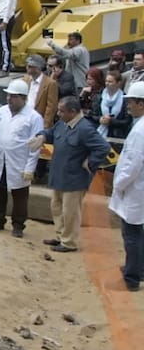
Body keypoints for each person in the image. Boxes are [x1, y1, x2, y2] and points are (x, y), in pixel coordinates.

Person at [29, 96, 110, 252]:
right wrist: (42, 136)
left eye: (62, 111)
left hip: (75, 178)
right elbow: (52, 131)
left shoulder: (85, 128)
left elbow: (103, 147)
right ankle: (61, 236)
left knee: (70, 212)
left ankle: (69, 242)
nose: (59, 113)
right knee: (57, 207)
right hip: (59, 175)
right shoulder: (63, 124)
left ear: (73, 112)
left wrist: (91, 161)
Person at [0, 79, 44, 238]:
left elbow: (35, 146)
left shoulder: (34, 117)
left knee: (20, 195)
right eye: (8, 96)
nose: (9, 99)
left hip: (19, 163)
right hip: (1, 159)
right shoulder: (2, 111)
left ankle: (18, 225)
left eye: (13, 96)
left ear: (23, 98)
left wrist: (30, 168)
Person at [109, 81, 144, 291]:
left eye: (131, 102)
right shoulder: (139, 126)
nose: (128, 106)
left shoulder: (140, 131)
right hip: (137, 188)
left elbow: (133, 164)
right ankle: (139, 269)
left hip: (134, 188)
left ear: (141, 103)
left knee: (131, 234)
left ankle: (132, 278)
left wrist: (119, 184)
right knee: (138, 232)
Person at [23, 54, 59, 128]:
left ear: (38, 68)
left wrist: (44, 125)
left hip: (39, 122)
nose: (27, 68)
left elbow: (51, 107)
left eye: (30, 66)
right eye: (27, 66)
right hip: (24, 120)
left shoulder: (50, 83)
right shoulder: (25, 80)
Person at [95, 70, 130, 139]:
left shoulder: (125, 99)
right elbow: (93, 114)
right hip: (99, 132)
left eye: (110, 82)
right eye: (106, 81)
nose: (107, 83)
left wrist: (111, 121)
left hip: (117, 134)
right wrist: (100, 119)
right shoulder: (99, 96)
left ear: (118, 83)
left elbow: (127, 120)